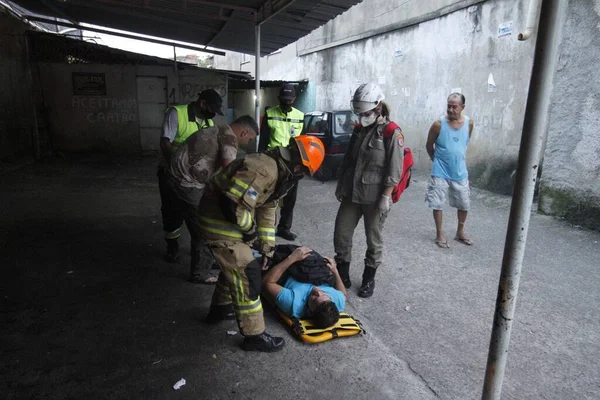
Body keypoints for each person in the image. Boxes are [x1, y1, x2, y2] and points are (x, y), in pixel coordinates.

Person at [199, 136, 325, 352]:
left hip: (229, 221)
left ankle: (220, 309)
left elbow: (267, 209)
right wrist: (250, 234)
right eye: (304, 172)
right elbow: (231, 206)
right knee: (248, 274)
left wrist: (267, 247)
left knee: (234, 266)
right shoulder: (264, 170)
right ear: (298, 164)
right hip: (219, 222)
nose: (302, 177)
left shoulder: (279, 173)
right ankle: (254, 335)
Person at [163, 116, 259, 284]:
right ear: (244, 132)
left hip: (172, 176)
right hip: (186, 183)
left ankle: (205, 257)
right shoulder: (230, 139)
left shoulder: (217, 127)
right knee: (204, 227)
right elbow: (229, 172)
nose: (246, 142)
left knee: (185, 216)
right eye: (249, 139)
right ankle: (200, 272)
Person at [333, 83, 404, 298]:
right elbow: (348, 161)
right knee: (341, 234)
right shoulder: (359, 129)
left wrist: (386, 196)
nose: (362, 116)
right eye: (359, 112)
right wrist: (340, 185)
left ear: (378, 106)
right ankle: (342, 275)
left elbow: (395, 168)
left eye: (365, 112)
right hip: (351, 194)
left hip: (375, 198)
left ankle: (368, 279)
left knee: (373, 239)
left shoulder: (392, 132)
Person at [157, 89, 224, 263]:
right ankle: (172, 246)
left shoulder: (208, 122)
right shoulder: (176, 114)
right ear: (202, 104)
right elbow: (165, 143)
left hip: (195, 178)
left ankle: (199, 247)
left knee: (197, 212)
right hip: (171, 174)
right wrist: (177, 169)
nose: (213, 115)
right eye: (212, 109)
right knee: (171, 212)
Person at [425, 92, 474, 249]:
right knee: (437, 203)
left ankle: (460, 232)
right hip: (440, 170)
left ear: (462, 107)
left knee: (464, 203)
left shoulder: (469, 123)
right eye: (449, 106)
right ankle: (439, 234)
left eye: (455, 106)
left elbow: (464, 142)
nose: (451, 110)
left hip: (459, 171)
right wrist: (436, 160)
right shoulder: (438, 125)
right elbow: (429, 145)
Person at [258, 83, 305, 241]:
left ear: (294, 99)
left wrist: (302, 164)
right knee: (270, 196)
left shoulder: (300, 116)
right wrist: (261, 162)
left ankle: (284, 228)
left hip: (293, 164)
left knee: (290, 199)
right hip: (273, 162)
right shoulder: (270, 114)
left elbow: (303, 143)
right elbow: (263, 142)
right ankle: (267, 226)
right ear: (279, 99)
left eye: (290, 100)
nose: (287, 102)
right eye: (284, 100)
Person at [262, 246, 347, 328]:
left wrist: (292, 258)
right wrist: (335, 270)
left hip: (290, 272)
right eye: (324, 294)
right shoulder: (337, 302)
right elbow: (343, 294)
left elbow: (267, 282)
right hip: (315, 275)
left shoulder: (293, 303)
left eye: (314, 298)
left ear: (310, 311)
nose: (318, 291)